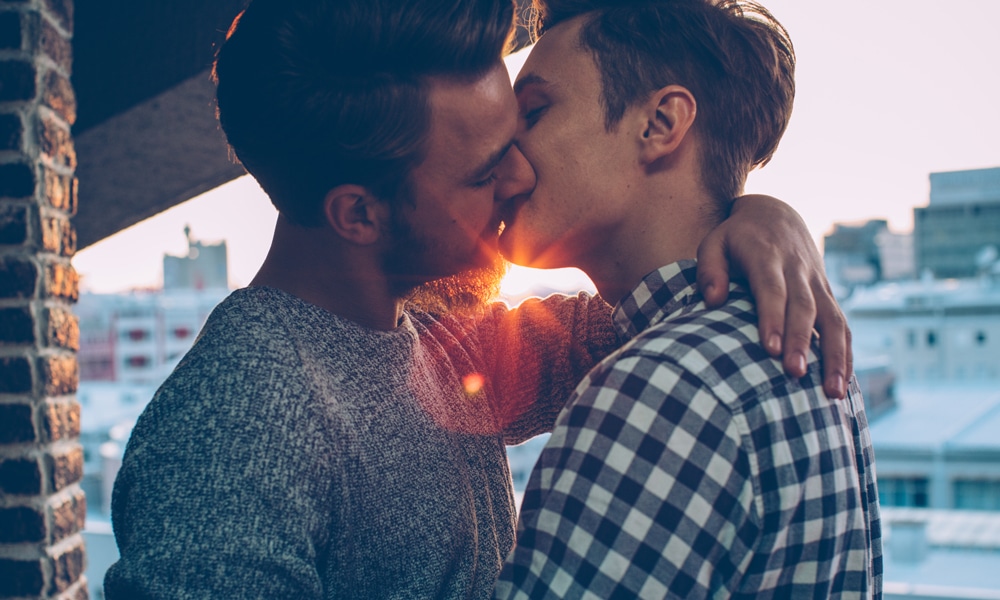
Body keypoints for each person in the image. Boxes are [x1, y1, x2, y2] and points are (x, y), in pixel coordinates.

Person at [104, 0, 851, 598]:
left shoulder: (444, 342)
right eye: (485, 169)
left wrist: (758, 215)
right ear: (359, 214)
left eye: (525, 125)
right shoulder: (238, 417)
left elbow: (642, 320)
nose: (521, 176)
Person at [494, 1, 881, 598]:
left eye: (535, 112)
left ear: (660, 124)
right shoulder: (786, 343)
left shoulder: (658, 388)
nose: (500, 150)